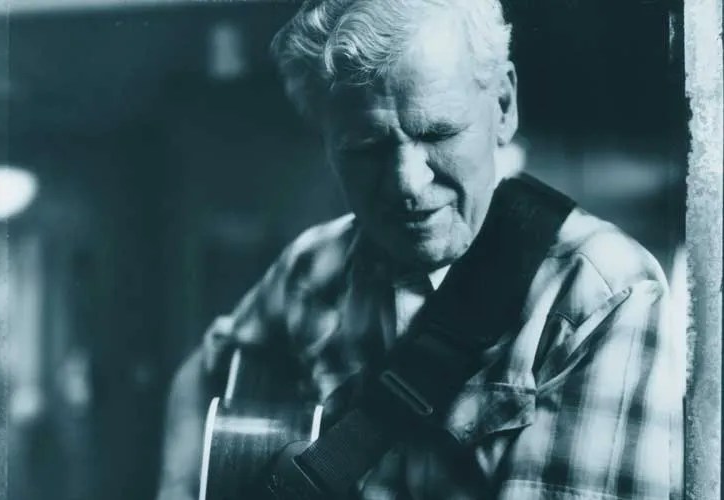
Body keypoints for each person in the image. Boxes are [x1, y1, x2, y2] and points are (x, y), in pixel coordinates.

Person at [156, 0, 683, 498]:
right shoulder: (311, 266)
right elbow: (202, 371)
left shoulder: (602, 297)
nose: (407, 182)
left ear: (503, 105)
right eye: (367, 147)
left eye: (438, 133)